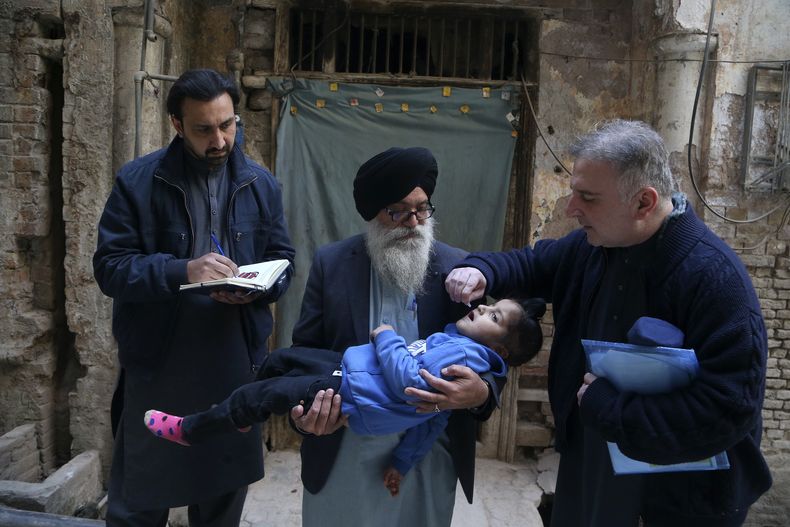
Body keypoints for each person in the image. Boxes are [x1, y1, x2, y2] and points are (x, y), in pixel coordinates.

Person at [445, 119, 772, 527]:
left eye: (588, 197)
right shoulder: (591, 245)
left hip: (679, 499)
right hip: (590, 470)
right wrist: (481, 272)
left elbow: (728, 409)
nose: (571, 209)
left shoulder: (715, 280)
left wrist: (609, 409)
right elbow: (530, 263)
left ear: (643, 203)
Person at [93, 69, 295, 526]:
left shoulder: (261, 185)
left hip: (233, 356)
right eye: (204, 129)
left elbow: (283, 259)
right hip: (158, 355)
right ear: (177, 125)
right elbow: (110, 268)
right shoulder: (138, 181)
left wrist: (259, 287)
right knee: (141, 498)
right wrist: (182, 269)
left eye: (228, 125)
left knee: (222, 493)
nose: (220, 140)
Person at [286, 146, 506, 526]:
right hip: (347, 439)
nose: (414, 222)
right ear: (373, 214)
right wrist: (305, 416)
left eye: (422, 209)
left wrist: (481, 392)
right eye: (398, 212)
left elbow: (491, 358)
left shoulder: (458, 267)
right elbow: (304, 354)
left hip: (426, 446)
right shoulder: (333, 264)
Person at [143, 298, 546, 497]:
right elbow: (437, 418)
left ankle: (193, 429)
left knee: (265, 391)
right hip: (349, 367)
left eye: (494, 317)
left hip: (352, 394)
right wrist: (403, 462)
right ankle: (248, 413)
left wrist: (386, 335)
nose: (482, 307)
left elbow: (408, 378)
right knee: (280, 359)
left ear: (502, 353)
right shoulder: (456, 342)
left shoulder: (469, 358)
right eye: (491, 304)